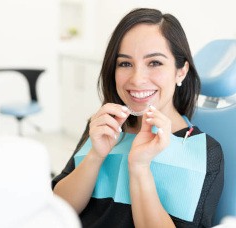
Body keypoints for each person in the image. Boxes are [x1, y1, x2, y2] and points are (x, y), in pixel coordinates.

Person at [52, 8, 224, 228]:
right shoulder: (103, 126)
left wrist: (140, 167)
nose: (137, 79)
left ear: (181, 71)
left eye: (154, 63)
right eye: (125, 63)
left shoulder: (205, 151)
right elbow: (56, 210)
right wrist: (95, 156)